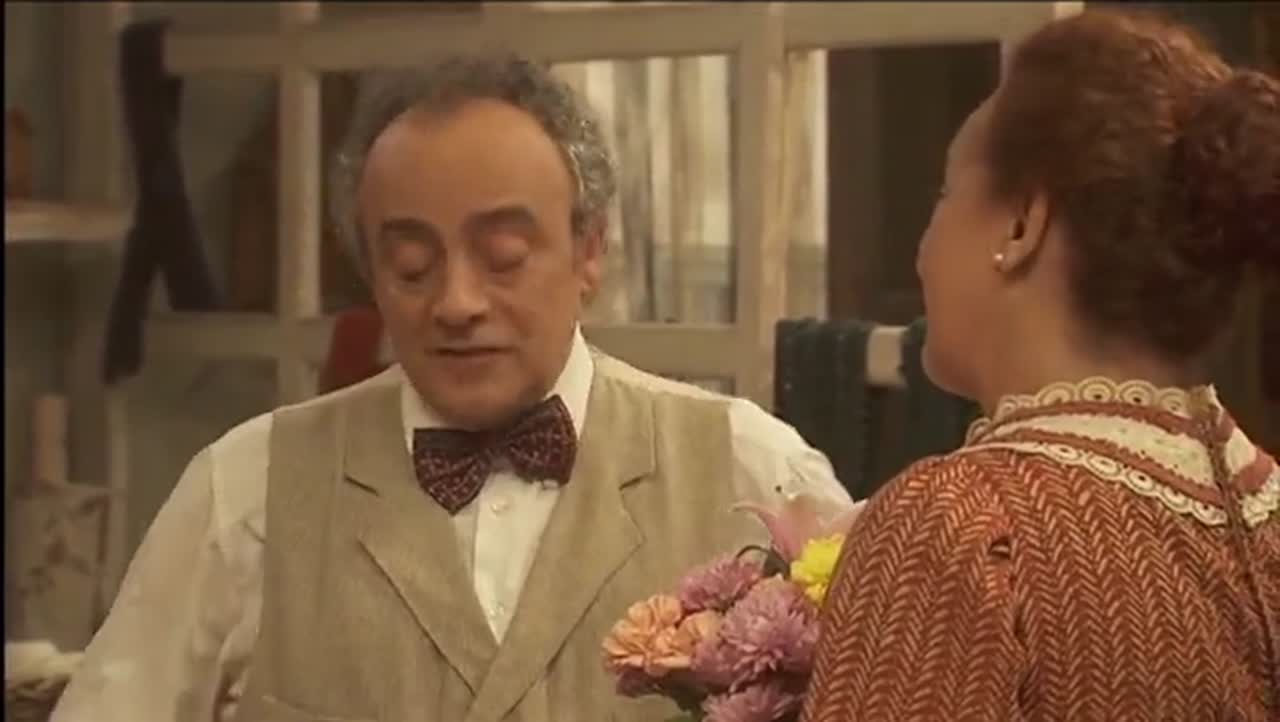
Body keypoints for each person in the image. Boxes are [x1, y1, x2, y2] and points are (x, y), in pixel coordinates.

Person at [52, 55, 854, 722]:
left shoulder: (751, 468)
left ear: (589, 251)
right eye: (412, 267)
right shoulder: (246, 491)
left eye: (503, 258)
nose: (457, 302)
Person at [803, 9, 1279, 722]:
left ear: (1023, 223)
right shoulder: (1265, 511)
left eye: (945, 193)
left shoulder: (963, 523)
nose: (923, 248)